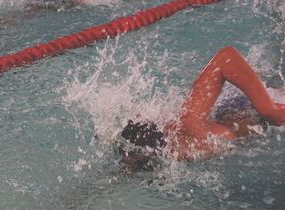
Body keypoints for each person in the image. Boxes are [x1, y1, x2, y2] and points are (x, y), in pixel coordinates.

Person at [119, 46, 285, 169]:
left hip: (264, 107)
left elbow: (226, 58)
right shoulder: (176, 150)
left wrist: (269, 111)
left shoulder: (189, 125)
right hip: (239, 107)